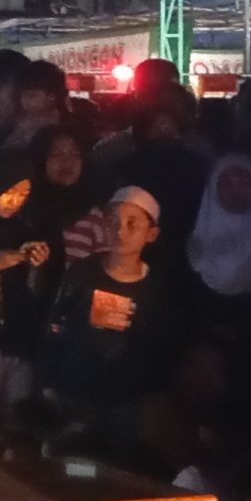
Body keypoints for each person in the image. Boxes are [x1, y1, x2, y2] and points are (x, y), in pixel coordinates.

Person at [40, 185, 181, 458]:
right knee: (69, 465)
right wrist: (48, 380)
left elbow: (160, 348)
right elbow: (56, 325)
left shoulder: (156, 289)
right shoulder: (82, 273)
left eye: (132, 223)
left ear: (151, 234)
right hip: (74, 393)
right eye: (113, 221)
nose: (120, 231)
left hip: (124, 402)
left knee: (114, 467)